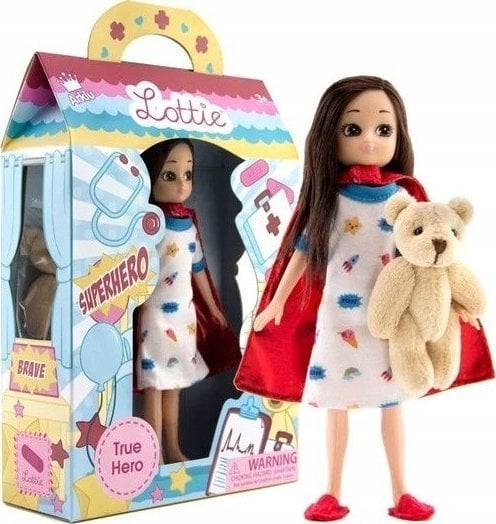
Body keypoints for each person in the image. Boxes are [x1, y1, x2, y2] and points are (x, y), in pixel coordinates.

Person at [234, 76, 493, 521]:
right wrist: (277, 301)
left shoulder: (405, 199)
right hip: (339, 320)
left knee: (393, 405)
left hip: (393, 323)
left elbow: (431, 262)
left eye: (383, 129)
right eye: (353, 129)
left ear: (399, 134)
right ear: (329, 135)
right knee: (337, 406)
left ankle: (401, 490)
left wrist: (456, 303)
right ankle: (331, 491)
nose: (370, 139)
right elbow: (303, 252)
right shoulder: (330, 200)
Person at [136, 138, 239, 464]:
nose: (182, 184)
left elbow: (199, 269)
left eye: (188, 174)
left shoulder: (189, 224)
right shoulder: (148, 225)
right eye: (170, 175)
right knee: (155, 385)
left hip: (184, 316)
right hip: (154, 316)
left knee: (175, 384)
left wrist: (213, 307)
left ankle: (173, 447)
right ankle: (153, 453)